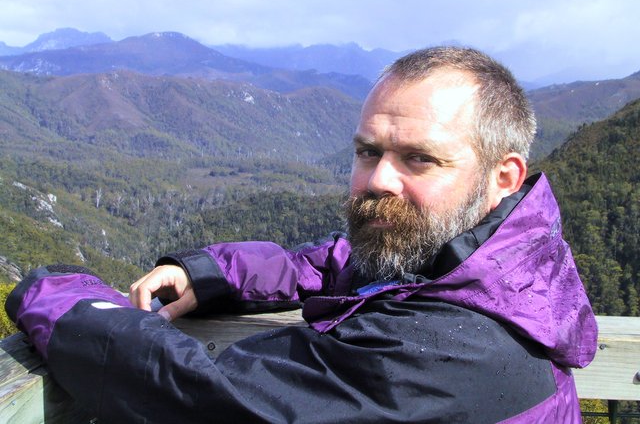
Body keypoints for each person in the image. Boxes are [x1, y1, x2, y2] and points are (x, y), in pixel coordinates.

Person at [7, 47, 597, 423]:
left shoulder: (455, 350)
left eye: (419, 159)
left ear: (503, 176)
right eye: (368, 151)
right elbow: (337, 264)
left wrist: (60, 295)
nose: (379, 180)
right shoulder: (495, 263)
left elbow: (202, 395)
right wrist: (209, 274)